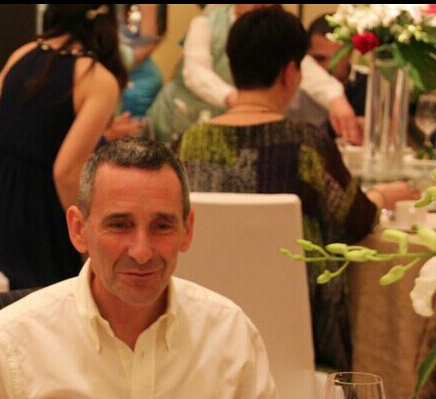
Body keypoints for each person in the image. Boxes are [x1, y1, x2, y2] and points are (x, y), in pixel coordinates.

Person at [0, 138, 295, 399]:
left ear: (187, 230)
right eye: (119, 225)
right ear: (78, 230)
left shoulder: (228, 335)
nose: (142, 252)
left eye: (162, 226)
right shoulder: (10, 343)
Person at [176, 5, 416, 372]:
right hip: (301, 343)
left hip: (204, 334)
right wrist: (382, 196)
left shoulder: (186, 145)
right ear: (291, 72)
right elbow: (357, 220)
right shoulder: (307, 145)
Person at [0, 4, 127, 290]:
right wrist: (86, 236)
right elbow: (66, 172)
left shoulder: (22, 53)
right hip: (38, 222)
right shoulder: (97, 79)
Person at [145, 4, 362, 145]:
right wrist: (235, 99)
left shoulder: (271, 29)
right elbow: (195, 73)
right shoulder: (206, 23)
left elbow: (299, 63)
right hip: (180, 119)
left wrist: (336, 98)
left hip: (229, 127)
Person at [287, 13, 367, 136]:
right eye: (319, 59)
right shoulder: (297, 85)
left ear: (349, 54)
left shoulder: (368, 83)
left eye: (335, 59)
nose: (328, 66)